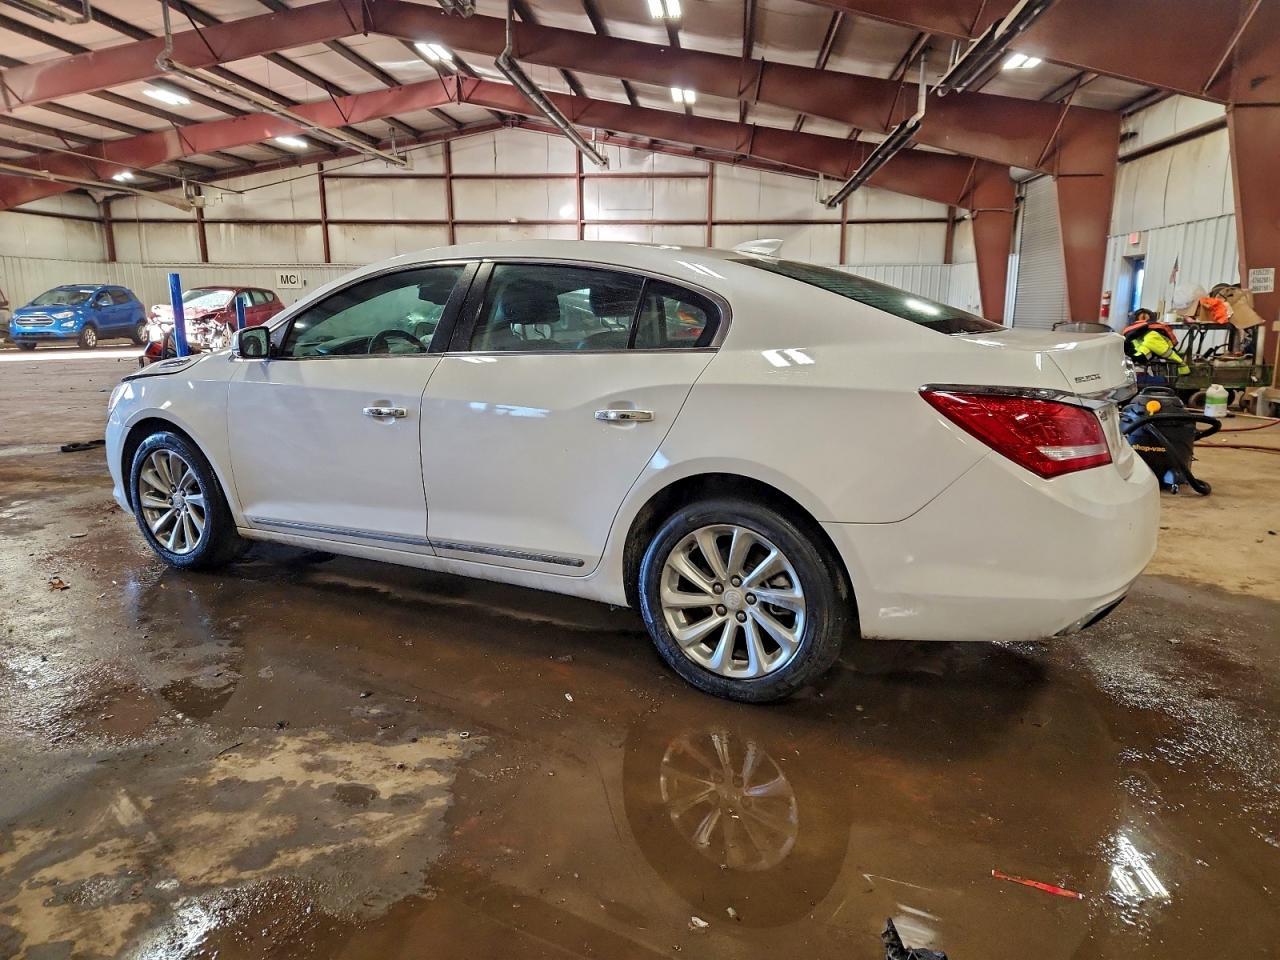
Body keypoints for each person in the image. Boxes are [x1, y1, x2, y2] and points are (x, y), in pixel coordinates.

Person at [1122, 308, 1190, 375]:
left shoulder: (1154, 329)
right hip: (1142, 348)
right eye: (1142, 317)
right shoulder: (1133, 331)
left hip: (1157, 347)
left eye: (1145, 317)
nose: (1144, 320)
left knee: (1150, 336)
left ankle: (1140, 356)